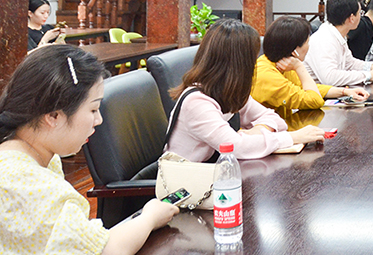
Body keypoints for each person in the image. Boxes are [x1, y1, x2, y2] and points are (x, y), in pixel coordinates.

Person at [0, 44, 178, 254]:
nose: (99, 120)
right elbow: (105, 251)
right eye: (93, 109)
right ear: (53, 116)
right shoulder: (25, 182)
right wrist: (150, 217)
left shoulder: (33, 155)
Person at [165, 18, 324, 162]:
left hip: (215, 172)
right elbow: (235, 147)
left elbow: (275, 119)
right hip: (187, 180)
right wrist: (292, 137)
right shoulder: (197, 102)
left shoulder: (228, 91)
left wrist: (257, 131)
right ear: (241, 63)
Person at [252, 16, 369, 120]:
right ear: (294, 50)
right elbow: (314, 100)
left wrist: (344, 92)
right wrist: (299, 67)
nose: (309, 46)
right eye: (307, 42)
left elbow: (307, 88)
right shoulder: (267, 74)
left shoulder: (281, 64)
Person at [304, 0, 373, 86]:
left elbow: (350, 63)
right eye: (360, 13)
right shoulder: (324, 39)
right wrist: (368, 75)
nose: (361, 16)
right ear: (352, 18)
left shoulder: (338, 34)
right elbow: (330, 78)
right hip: (318, 94)